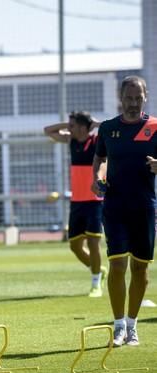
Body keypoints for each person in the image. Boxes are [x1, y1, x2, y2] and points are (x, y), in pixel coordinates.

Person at [93, 75, 157, 347]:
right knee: (117, 264)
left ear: (145, 97)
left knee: (140, 269)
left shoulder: (154, 127)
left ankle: (132, 325)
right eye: (128, 98)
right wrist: (97, 177)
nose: (133, 103)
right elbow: (100, 157)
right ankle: (118, 326)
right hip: (115, 206)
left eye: (138, 98)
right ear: (121, 98)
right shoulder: (107, 129)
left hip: (144, 207)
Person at [44, 111, 106, 297]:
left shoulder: (97, 141)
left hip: (95, 201)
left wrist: (94, 124)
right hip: (77, 202)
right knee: (75, 246)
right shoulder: (71, 141)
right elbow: (47, 131)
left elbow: (110, 129)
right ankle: (99, 270)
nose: (69, 128)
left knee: (93, 242)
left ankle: (95, 283)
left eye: (73, 125)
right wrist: (68, 124)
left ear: (82, 126)